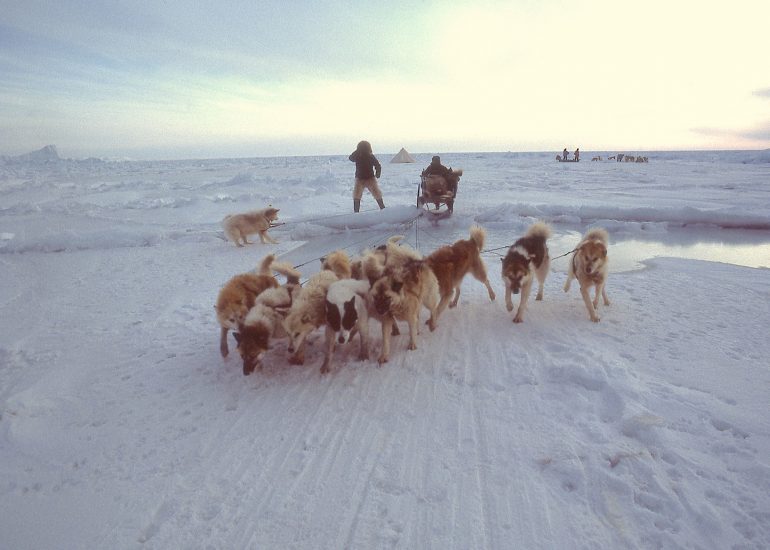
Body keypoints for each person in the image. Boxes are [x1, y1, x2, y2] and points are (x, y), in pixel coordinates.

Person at [348, 140, 384, 212]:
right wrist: (377, 174)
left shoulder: (369, 156)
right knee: (358, 195)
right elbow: (351, 158)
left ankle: (383, 209)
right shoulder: (358, 155)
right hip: (360, 178)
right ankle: (356, 212)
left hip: (369, 178)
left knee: (376, 193)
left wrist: (377, 174)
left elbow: (378, 165)